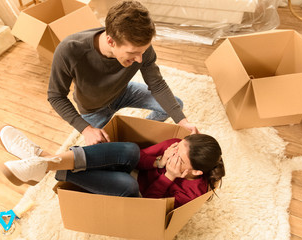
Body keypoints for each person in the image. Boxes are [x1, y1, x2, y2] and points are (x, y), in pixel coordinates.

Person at [47, 0, 199, 146]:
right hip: (93, 110)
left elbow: (157, 84)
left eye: (143, 51)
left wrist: (182, 121)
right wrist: (86, 129)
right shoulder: (70, 50)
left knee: (176, 106)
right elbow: (56, 97)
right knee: (107, 152)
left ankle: (136, 135)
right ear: (111, 41)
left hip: (124, 91)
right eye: (133, 53)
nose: (140, 59)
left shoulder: (140, 48)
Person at [0, 126, 225, 208]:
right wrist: (158, 161)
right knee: (131, 150)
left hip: (137, 195)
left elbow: (149, 206)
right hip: (130, 169)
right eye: (178, 146)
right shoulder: (174, 146)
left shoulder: (193, 193)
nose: (175, 151)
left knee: (127, 184)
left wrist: (168, 176)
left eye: (181, 158)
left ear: (196, 172)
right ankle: (46, 162)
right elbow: (138, 159)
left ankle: (41, 158)